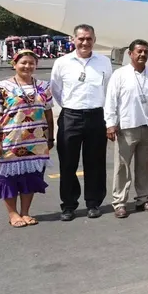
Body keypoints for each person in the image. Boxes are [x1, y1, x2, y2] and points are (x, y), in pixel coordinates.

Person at [50, 24, 112, 221]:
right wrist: (71, 108)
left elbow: (108, 89)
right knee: (68, 163)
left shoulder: (104, 62)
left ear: (94, 39)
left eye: (89, 38)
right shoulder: (62, 62)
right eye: (81, 39)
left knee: (95, 162)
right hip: (71, 116)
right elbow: (56, 90)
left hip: (96, 116)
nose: (85, 42)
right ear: (73, 39)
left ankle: (93, 203)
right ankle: (69, 205)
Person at [0, 49, 53, 227]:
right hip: (11, 141)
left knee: (31, 177)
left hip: (36, 142)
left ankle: (25, 212)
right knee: (8, 179)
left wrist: (51, 138)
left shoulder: (43, 86)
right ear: (14, 64)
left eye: (31, 63)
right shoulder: (1, 87)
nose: (27, 66)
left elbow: (48, 114)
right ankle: (13, 214)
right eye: (23, 62)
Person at [105, 39, 148, 219]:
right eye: (139, 51)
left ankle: (143, 199)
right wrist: (110, 123)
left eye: (145, 51)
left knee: (146, 165)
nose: (142, 54)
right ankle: (120, 202)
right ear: (130, 53)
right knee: (122, 167)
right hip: (126, 127)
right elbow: (111, 100)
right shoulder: (119, 74)